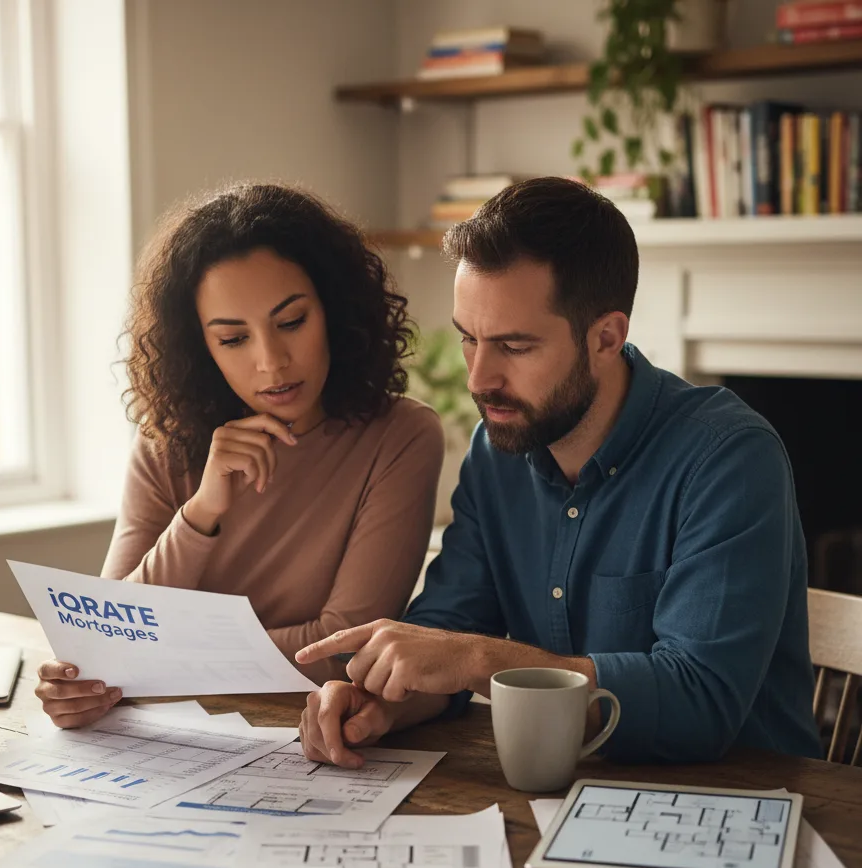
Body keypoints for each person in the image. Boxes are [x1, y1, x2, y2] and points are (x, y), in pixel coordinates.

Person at [296, 176, 823, 768]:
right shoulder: (496, 452)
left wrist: (477, 659)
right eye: (469, 338)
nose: (479, 379)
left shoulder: (728, 457)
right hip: (556, 789)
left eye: (515, 347)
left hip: (746, 798)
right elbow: (445, 632)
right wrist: (381, 702)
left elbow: (700, 703)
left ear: (606, 337)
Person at [36, 183, 444, 729]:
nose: (271, 362)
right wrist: (201, 513)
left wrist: (148, 658)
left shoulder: (401, 436)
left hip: (309, 737)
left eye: (292, 322)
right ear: (200, 347)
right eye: (233, 339)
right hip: (163, 739)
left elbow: (343, 646)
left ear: (335, 309)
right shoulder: (165, 443)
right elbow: (110, 636)